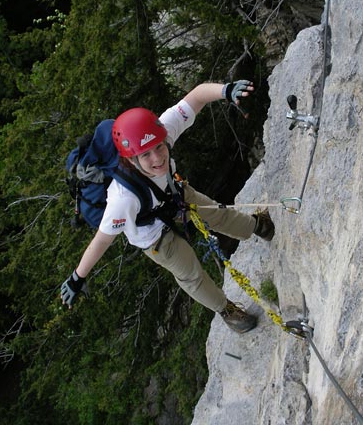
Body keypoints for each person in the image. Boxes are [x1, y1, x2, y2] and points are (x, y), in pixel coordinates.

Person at [60, 80, 275, 333]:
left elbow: (195, 98)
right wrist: (77, 277)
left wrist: (226, 90)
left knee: (218, 213)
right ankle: (228, 312)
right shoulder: (122, 198)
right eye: (146, 155)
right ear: (130, 158)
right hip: (151, 236)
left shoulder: (160, 132)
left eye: (159, 147)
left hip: (175, 195)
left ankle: (258, 227)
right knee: (190, 273)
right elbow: (102, 240)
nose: (158, 158)